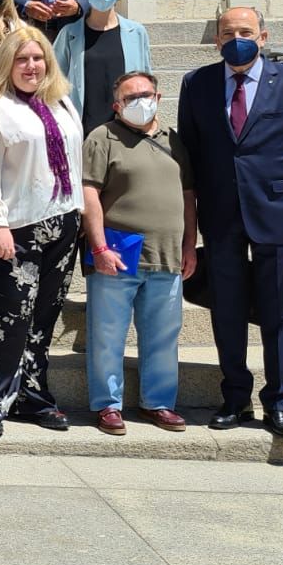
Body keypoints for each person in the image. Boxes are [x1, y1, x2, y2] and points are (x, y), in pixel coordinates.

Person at [178, 7, 283, 440]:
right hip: (222, 215)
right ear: (216, 39)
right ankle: (235, 397)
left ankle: (278, 402)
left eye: (245, 31)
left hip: (277, 215)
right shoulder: (197, 83)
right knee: (227, 310)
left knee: (276, 311)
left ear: (263, 37)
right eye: (228, 32)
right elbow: (190, 155)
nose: (236, 38)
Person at [0, 27, 85, 439]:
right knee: (9, 316)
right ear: (7, 64)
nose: (31, 66)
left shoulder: (62, 103)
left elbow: (74, 163)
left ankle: (33, 397)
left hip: (63, 221)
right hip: (16, 228)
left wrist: (81, 217)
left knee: (44, 316)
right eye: (22, 59)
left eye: (38, 59)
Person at [83, 72, 194, 436]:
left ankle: (158, 402)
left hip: (166, 255)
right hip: (117, 255)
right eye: (129, 98)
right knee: (107, 334)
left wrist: (189, 246)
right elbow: (89, 196)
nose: (138, 102)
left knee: (163, 336)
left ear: (158, 97)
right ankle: (107, 405)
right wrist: (98, 246)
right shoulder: (103, 138)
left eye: (144, 95)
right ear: (117, 105)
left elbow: (188, 198)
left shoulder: (174, 141)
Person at [53, 0, 152, 132]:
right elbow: (53, 82)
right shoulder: (69, 34)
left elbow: (147, 81)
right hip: (84, 130)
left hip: (128, 129)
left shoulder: (136, 32)